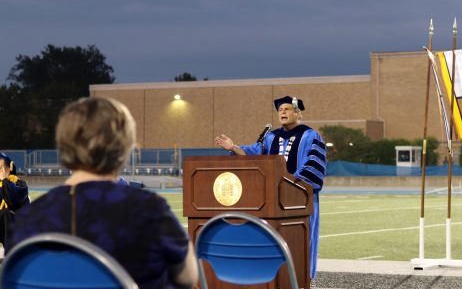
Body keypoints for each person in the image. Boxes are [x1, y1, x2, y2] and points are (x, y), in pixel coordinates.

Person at [7, 97, 198, 289]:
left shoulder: (29, 218)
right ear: (124, 146)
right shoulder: (149, 210)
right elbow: (188, 278)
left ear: (64, 144)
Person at [215, 95, 326, 279]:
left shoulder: (310, 136)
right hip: (273, 200)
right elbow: (253, 155)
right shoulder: (271, 137)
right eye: (280, 110)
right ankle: (275, 277)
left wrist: (291, 184)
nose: (282, 112)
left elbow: (313, 167)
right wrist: (233, 147)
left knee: (301, 241)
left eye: (287, 109)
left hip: (301, 200)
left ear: (298, 113)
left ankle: (302, 278)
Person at [0, 153, 29, 246]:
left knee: (6, 213)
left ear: (9, 169)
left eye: (0, 168)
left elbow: (11, 198)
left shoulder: (20, 184)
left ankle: (12, 253)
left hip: (14, 225)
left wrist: (5, 180)